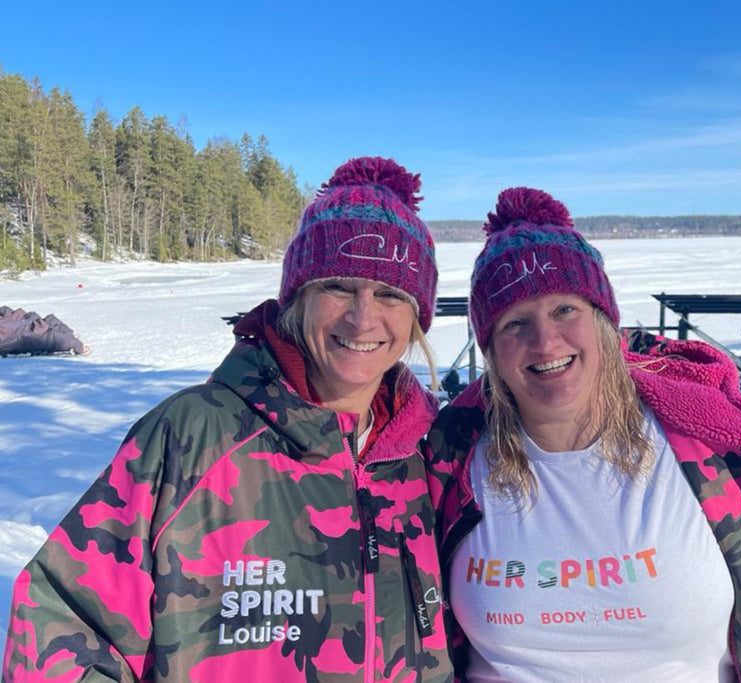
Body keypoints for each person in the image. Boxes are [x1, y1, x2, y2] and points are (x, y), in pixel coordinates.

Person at [3, 157, 453, 682]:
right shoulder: (193, 435)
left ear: (416, 316)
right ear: (298, 300)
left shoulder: (424, 456)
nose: (363, 317)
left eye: (390, 294)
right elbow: (59, 626)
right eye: (339, 287)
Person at [426, 187, 741, 682]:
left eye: (565, 310)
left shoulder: (729, 453)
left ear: (604, 323)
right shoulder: (449, 465)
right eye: (515, 323)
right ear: (490, 351)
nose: (545, 341)